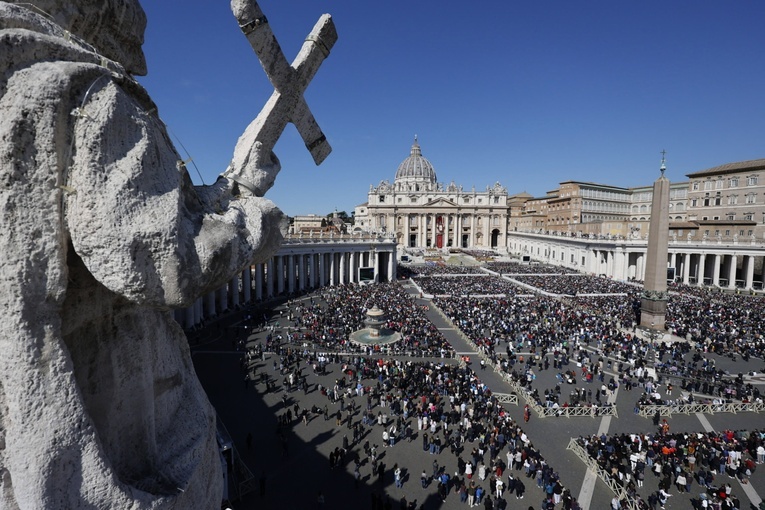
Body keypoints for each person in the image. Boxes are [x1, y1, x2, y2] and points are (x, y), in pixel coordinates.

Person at [0, 1, 288, 508]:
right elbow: (165, 261)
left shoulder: (15, 62)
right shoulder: (85, 88)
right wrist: (257, 220)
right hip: (112, 418)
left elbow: (149, 216)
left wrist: (231, 186)